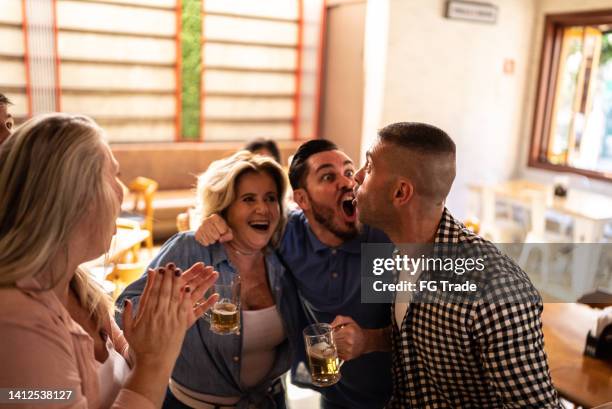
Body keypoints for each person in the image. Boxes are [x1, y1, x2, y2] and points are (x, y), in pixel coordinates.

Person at [0, 113, 218, 409]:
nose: (123, 190)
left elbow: (124, 369)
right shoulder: (15, 325)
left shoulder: (75, 283)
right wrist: (155, 362)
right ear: (75, 196)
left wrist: (158, 336)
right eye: (113, 175)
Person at [353, 122, 561, 407]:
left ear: (400, 193)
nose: (357, 176)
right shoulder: (400, 253)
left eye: (369, 165)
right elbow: (422, 340)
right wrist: (368, 340)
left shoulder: (495, 291)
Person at [197, 140, 393, 409]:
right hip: (335, 398)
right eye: (328, 176)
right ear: (301, 199)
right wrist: (215, 221)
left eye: (349, 172)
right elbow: (248, 219)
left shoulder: (381, 238)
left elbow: (431, 324)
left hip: (396, 398)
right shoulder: (288, 236)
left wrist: (369, 340)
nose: (348, 183)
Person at [117, 151, 304, 409]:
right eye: (248, 199)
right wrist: (169, 309)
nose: (263, 208)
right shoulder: (191, 248)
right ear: (224, 207)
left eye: (270, 198)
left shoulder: (284, 254)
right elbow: (123, 309)